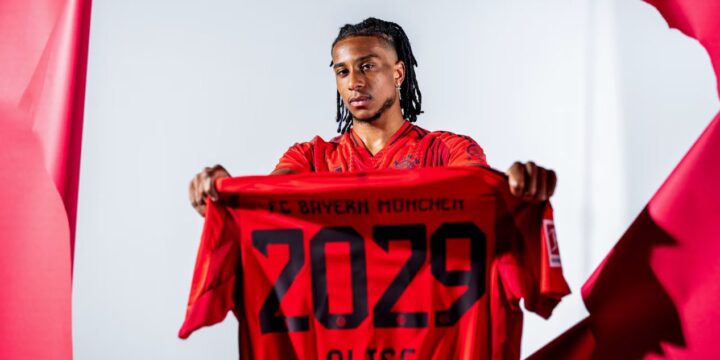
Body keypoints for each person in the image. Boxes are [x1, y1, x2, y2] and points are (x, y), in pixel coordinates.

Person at [188, 17, 556, 216]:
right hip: (337, 332)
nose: (354, 83)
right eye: (343, 71)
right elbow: (265, 206)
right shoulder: (310, 157)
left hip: (425, 331)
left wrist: (517, 187)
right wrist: (224, 196)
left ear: (398, 73)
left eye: (367, 66)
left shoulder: (447, 149)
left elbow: (481, 195)